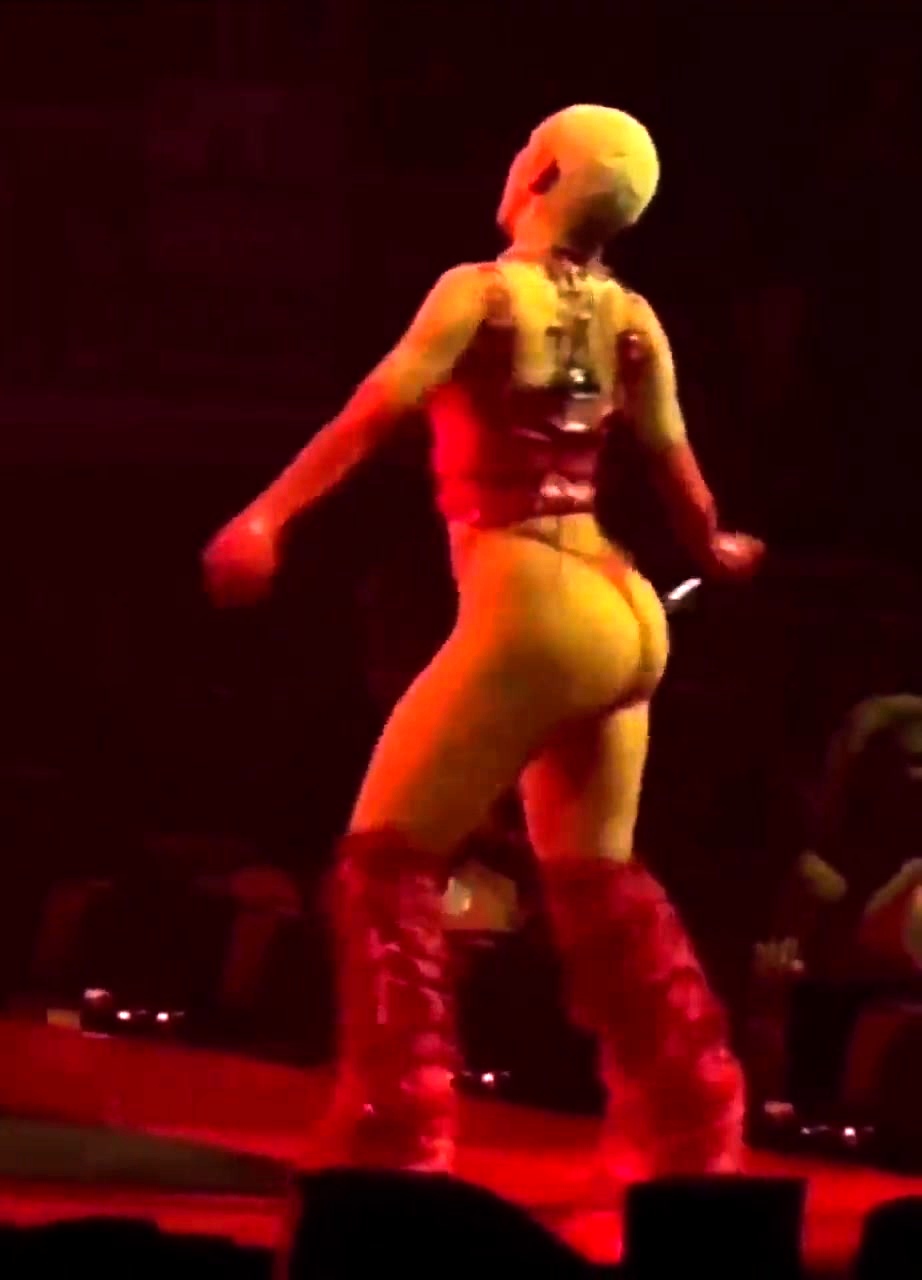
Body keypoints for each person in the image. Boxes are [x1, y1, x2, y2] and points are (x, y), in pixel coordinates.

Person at [203, 105, 763, 1185]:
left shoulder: (479, 294)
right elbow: (682, 480)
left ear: (540, 174)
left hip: (534, 601)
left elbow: (376, 409)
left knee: (384, 865)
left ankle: (396, 1138)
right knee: (598, 883)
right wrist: (719, 549)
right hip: (625, 612)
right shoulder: (633, 318)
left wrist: (269, 515)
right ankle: (693, 1141)